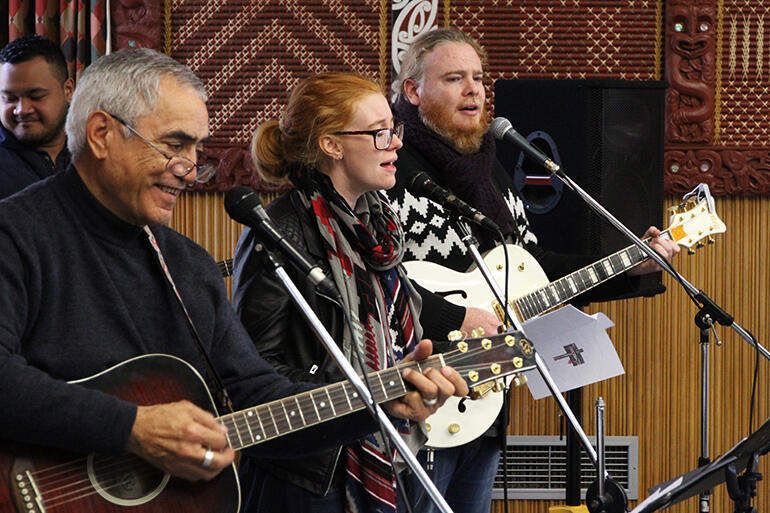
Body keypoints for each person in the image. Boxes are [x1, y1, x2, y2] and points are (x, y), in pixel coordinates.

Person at [0, 49, 465, 511]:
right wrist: (132, 428)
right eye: (175, 144)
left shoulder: (186, 266)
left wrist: (376, 402)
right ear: (102, 134)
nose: (190, 166)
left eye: (197, 148)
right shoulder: (15, 236)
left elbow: (259, 396)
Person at [386, 28, 681, 513]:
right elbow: (375, 281)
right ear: (414, 92)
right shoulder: (391, 168)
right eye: (455, 78)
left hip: (485, 397)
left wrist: (629, 264)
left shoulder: (492, 169)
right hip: (417, 396)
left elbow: (533, 270)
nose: (474, 90)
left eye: (478, 78)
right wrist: (454, 320)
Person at [231, 72, 472, 513]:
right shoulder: (279, 232)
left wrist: (418, 379)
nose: (396, 143)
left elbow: (397, 341)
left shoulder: (379, 231)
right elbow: (251, 373)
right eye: (380, 133)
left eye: (393, 129)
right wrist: (368, 392)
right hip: (309, 478)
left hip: (395, 453)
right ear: (332, 145)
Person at [0, 34, 73, 199]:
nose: (21, 110)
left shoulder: (94, 151)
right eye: (9, 99)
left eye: (36, 96)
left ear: (68, 90)